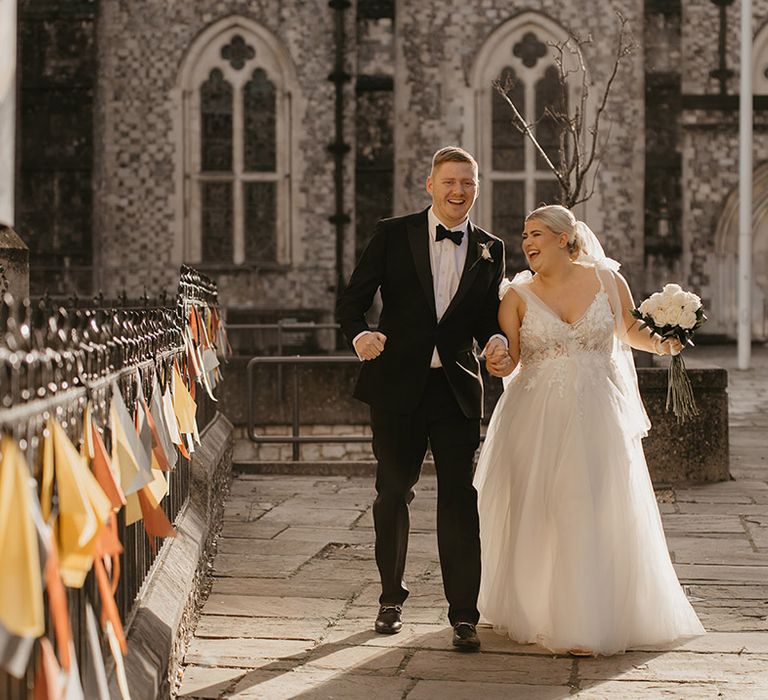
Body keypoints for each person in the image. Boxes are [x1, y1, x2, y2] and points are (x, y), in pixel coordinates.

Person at [474, 204, 705, 656]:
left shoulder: (606, 279)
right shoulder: (515, 296)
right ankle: (540, 610)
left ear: (564, 238)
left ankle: (588, 618)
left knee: (591, 506)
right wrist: (497, 357)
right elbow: (511, 357)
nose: (527, 243)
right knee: (542, 511)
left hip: (598, 412)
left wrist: (663, 341)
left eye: (536, 233)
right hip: (535, 417)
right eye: (524, 236)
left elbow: (628, 329)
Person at [336, 146, 511, 651]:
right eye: (450, 182)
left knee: (459, 498)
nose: (459, 192)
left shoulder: (490, 247)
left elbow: (484, 319)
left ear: (476, 189)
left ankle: (464, 615)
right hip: (396, 388)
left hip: (456, 390)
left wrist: (497, 341)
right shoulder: (393, 234)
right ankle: (390, 597)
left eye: (469, 184)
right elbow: (352, 301)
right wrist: (359, 336)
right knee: (393, 492)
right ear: (430, 185)